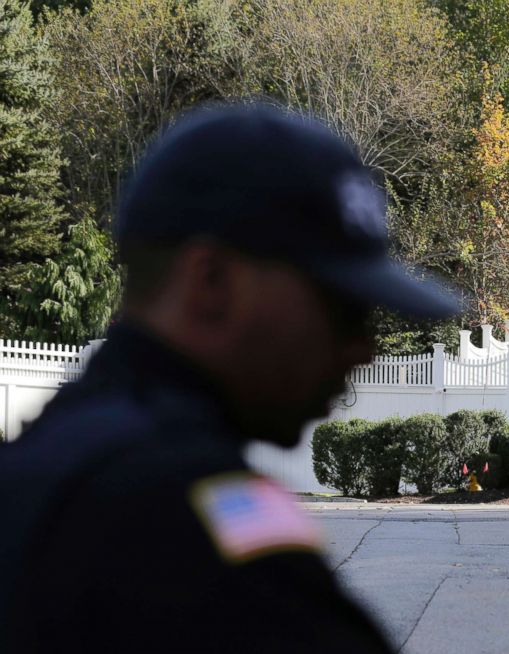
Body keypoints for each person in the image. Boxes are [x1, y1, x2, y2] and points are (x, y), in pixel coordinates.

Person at [0, 104, 460, 652]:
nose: (361, 350)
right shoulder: (187, 512)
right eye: (341, 308)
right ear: (210, 281)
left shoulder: (43, 460)